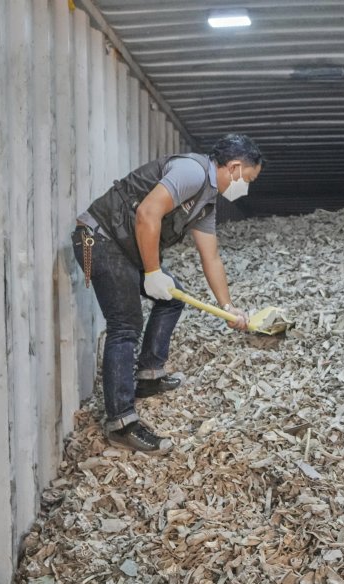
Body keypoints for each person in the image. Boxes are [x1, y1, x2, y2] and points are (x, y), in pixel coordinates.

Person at [71, 134, 263, 452]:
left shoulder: (206, 204)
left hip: (121, 247)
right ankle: (120, 422)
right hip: (99, 239)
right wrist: (152, 272)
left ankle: (148, 376)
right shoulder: (193, 172)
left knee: (172, 298)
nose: (247, 187)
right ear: (234, 167)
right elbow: (148, 213)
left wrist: (228, 307)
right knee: (125, 324)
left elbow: (210, 257)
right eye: (248, 179)